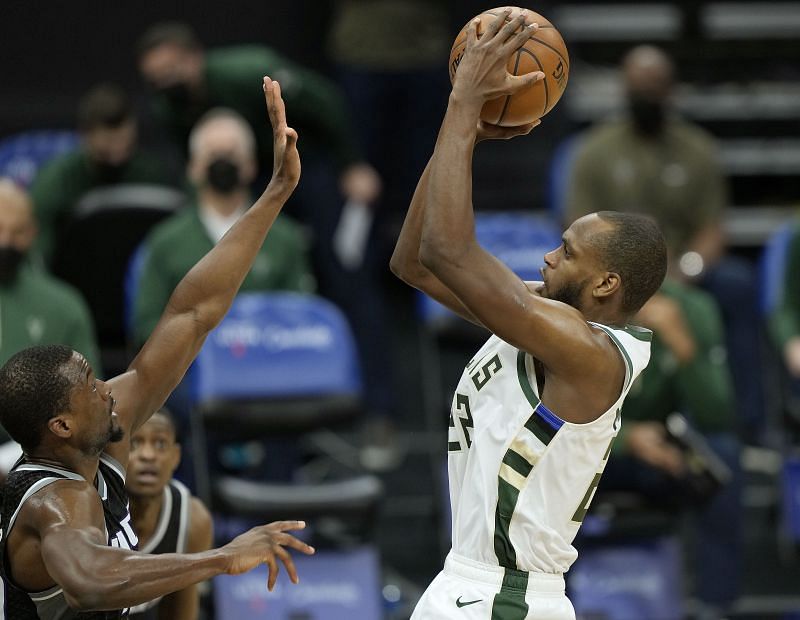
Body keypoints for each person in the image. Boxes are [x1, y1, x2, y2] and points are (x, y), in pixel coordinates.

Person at [0, 76, 314, 618]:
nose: (106, 389)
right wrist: (221, 558)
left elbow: (193, 313)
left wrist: (274, 194)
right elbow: (93, 580)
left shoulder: (104, 437)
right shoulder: (55, 500)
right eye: (91, 387)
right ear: (61, 426)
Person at [390, 10, 667, 619]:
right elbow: (415, 264)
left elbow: (448, 249)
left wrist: (464, 109)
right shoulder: (545, 316)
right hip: (466, 581)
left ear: (605, 282)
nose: (546, 256)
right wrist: (462, 130)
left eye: (565, 251)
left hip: (506, 597)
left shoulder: (588, 353)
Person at [137, 23, 400, 463]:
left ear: (193, 58)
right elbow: (191, 164)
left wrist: (352, 164)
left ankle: (378, 413)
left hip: (312, 163)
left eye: (171, 70)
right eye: (154, 77)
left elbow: (325, 102)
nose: (165, 83)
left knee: (346, 279)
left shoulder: (247, 72)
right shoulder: (169, 107)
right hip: (253, 174)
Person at [565, 44, 764, 440]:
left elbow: (712, 228)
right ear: (623, 90)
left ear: (671, 90)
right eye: (638, 88)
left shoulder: (698, 149)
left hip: (684, 268)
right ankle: (599, 426)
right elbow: (576, 228)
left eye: (654, 88)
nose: (646, 97)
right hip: (613, 272)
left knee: (739, 286)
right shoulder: (594, 151)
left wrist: (683, 271)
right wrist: (626, 277)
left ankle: (748, 425)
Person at [600, 278, 742, 613]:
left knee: (721, 455)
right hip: (590, 447)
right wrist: (627, 438)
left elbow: (717, 414)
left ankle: (715, 605)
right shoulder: (581, 308)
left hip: (659, 450)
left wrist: (682, 346)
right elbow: (551, 409)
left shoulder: (692, 308)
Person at [132, 107, 314, 347]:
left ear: (250, 165)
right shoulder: (165, 241)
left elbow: (303, 319)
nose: (223, 162)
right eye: (213, 154)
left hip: (270, 370)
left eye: (231, 153)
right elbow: (146, 326)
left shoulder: (284, 237)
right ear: (193, 168)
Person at [29, 83, 171, 265]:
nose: (118, 151)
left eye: (124, 141)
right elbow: (38, 248)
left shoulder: (150, 172)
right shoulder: (57, 180)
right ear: (85, 135)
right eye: (109, 144)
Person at [0, 179, 101, 376]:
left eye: (17, 231)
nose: (5, 241)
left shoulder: (64, 306)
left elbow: (91, 391)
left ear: (32, 232)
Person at [126, 410, 213, 620]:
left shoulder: (193, 521)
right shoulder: (90, 509)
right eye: (134, 444)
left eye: (160, 444)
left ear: (176, 457)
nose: (148, 455)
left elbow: (180, 611)